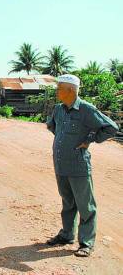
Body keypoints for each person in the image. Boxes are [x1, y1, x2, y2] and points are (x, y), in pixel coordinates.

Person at [45, 74, 119, 257]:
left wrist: (90, 139)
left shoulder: (86, 109)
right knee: (67, 202)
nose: (57, 91)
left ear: (71, 90)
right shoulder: (58, 109)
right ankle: (67, 235)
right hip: (61, 164)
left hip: (78, 165)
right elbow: (52, 126)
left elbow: (111, 127)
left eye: (60, 88)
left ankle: (86, 243)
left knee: (86, 206)